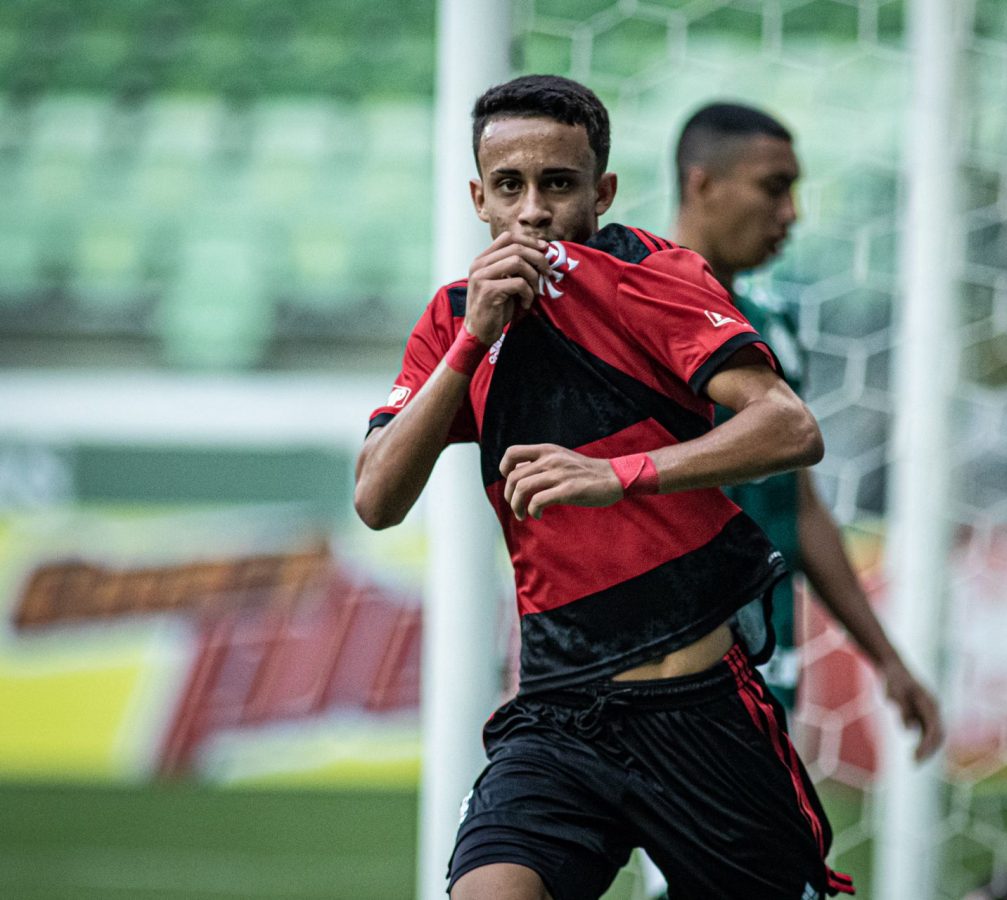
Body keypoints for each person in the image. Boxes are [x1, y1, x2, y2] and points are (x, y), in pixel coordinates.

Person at [355, 75, 854, 899]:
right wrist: (471, 344)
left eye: (558, 184)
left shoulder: (656, 278)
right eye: (509, 187)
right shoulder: (454, 318)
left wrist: (613, 476)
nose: (533, 211)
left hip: (696, 709)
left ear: (602, 191)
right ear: (478, 198)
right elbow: (376, 499)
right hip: (558, 713)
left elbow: (788, 427)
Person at [672, 101, 945, 751]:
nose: (790, 212)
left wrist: (886, 658)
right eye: (774, 187)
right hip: (671, 671)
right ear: (700, 183)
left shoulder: (772, 324)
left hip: (766, 653)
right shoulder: (636, 321)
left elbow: (796, 503)